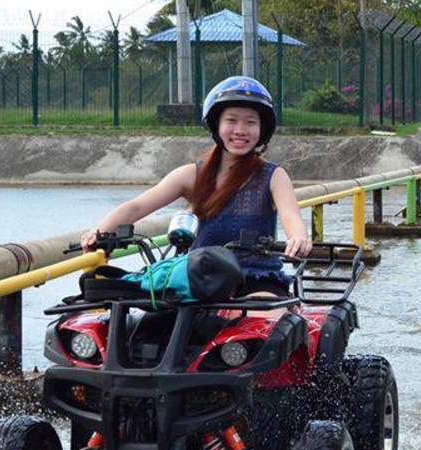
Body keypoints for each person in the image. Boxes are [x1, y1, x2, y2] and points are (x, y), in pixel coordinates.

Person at [81, 76, 312, 296]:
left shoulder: (273, 176)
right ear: (217, 125)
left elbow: (291, 216)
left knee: (261, 326)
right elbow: (137, 207)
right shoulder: (192, 174)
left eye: (250, 122)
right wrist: (99, 233)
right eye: (231, 120)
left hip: (258, 280)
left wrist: (298, 238)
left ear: (262, 129)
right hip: (204, 281)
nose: (240, 130)